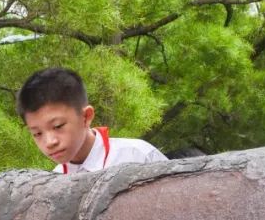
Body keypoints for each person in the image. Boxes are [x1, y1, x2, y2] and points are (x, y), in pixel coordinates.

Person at [16, 67, 167, 173]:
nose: (49, 142)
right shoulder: (54, 182)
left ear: (86, 116)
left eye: (58, 126)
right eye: (37, 133)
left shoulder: (138, 156)